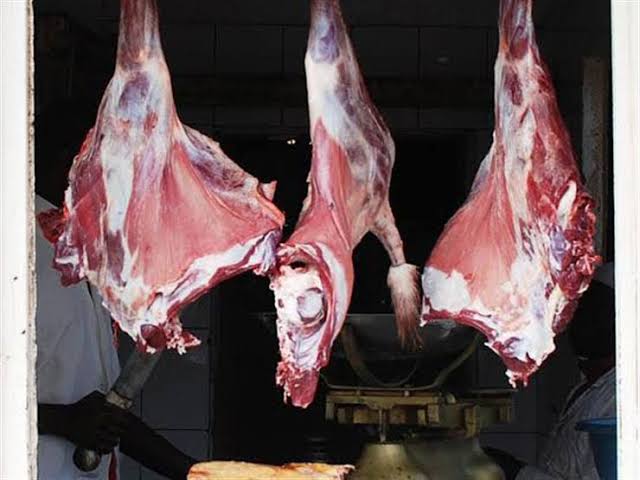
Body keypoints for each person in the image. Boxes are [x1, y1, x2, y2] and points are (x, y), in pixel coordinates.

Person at [35, 193, 199, 479]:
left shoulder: (83, 242)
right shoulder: (13, 234)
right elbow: (83, 420)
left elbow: (103, 417)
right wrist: (59, 421)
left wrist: (193, 472)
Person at [486, 263, 616, 480]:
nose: (580, 319)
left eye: (597, 311)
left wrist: (515, 472)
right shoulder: (588, 384)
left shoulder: (622, 395)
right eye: (578, 308)